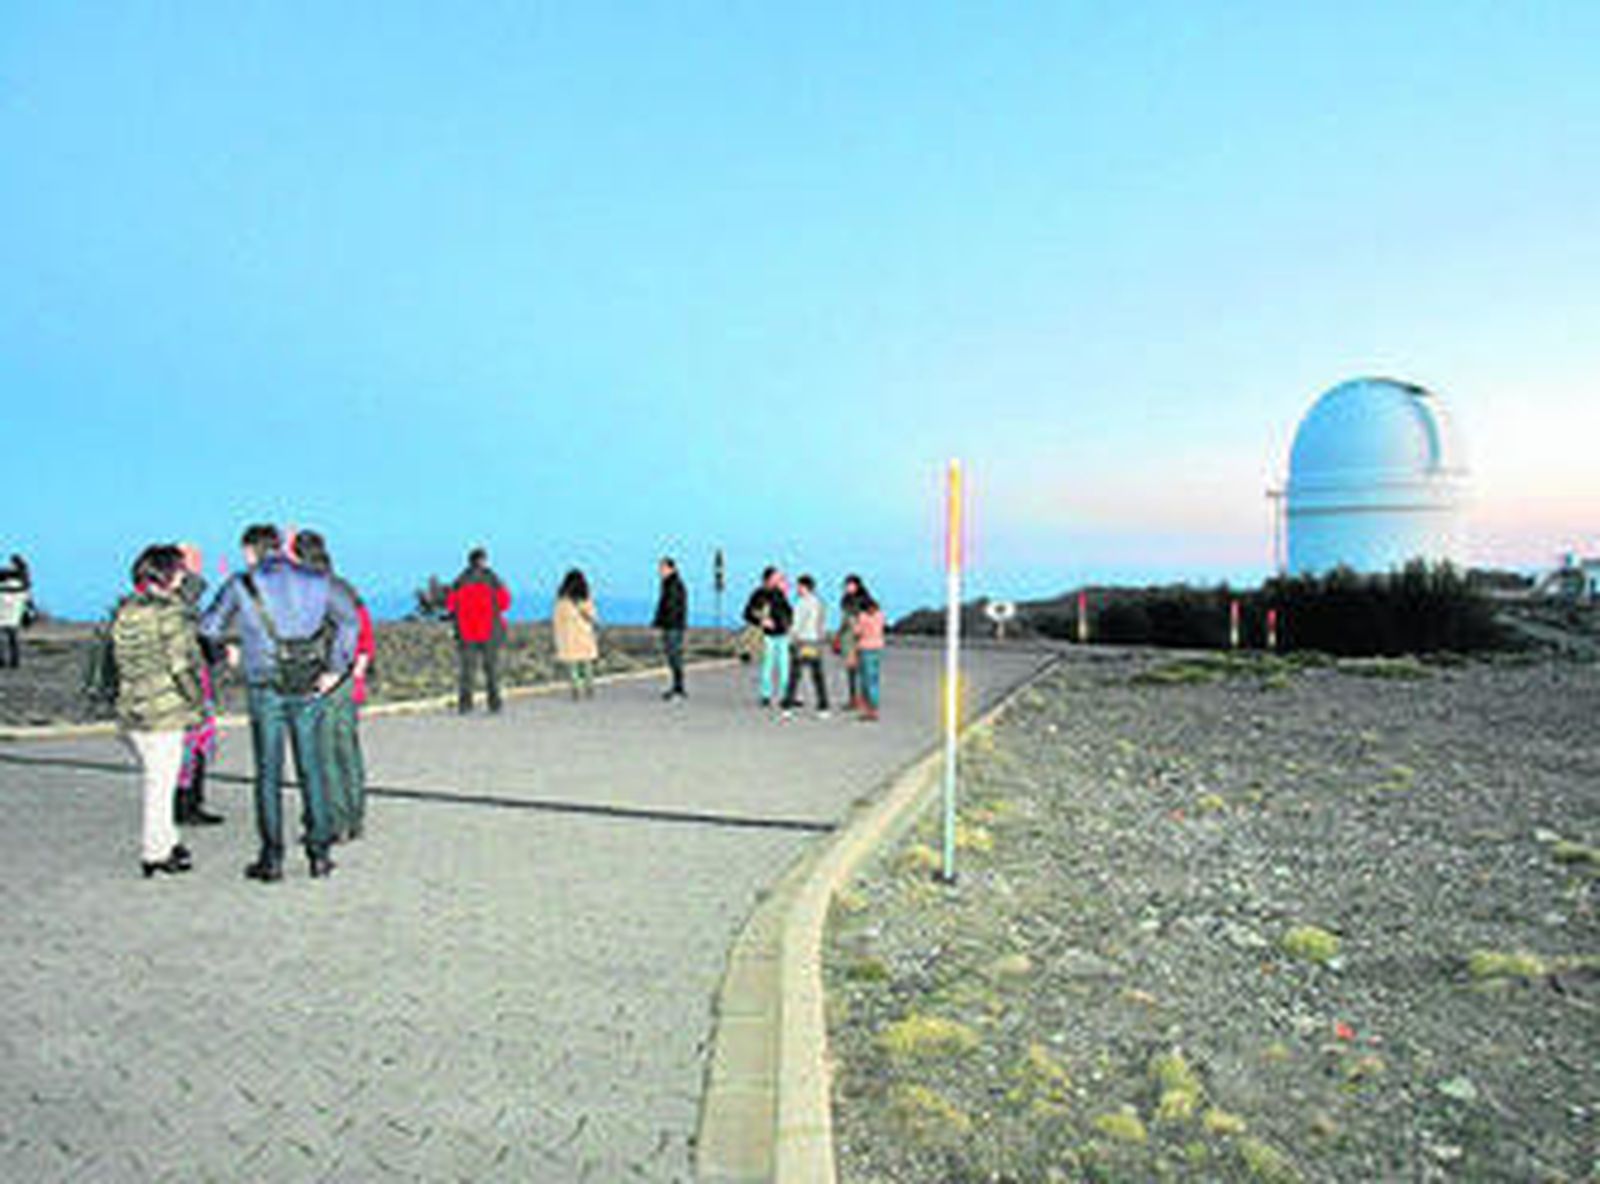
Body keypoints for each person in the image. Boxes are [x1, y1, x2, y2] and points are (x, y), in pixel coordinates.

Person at [200, 523, 358, 882]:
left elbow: (208, 627)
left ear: (250, 550)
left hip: (264, 685)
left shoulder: (241, 583)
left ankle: (272, 859)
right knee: (312, 769)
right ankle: (320, 854)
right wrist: (336, 668)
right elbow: (349, 621)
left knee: (268, 773)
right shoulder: (317, 579)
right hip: (307, 684)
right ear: (280, 547)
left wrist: (228, 652)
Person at [112, 544, 204, 877]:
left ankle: (168, 840)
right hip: (163, 709)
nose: (184, 575)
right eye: (180, 569)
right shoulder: (168, 613)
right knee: (160, 785)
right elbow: (180, 665)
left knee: (157, 779)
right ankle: (155, 853)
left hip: (132, 707)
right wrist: (197, 703)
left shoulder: (126, 610)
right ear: (167, 574)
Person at [293, 530, 374, 842]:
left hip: (324, 677)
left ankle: (333, 822)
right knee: (347, 750)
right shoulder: (345, 588)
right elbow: (364, 634)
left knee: (324, 754)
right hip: (345, 678)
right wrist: (357, 670)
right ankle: (354, 817)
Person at [173, 543, 223, 826]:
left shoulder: (184, 607)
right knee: (190, 749)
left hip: (196, 683)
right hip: (188, 687)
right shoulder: (178, 605)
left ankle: (191, 803)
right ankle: (185, 805)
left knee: (197, 748)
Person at [446, 547, 510, 713]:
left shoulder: (459, 581)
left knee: (467, 670)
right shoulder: (493, 579)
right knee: (492, 669)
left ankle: (465, 704)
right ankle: (494, 703)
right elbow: (505, 602)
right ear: (483, 560)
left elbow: (451, 605)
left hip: (467, 632)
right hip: (490, 630)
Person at [743, 566, 793, 711]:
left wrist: (789, 623)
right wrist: (761, 621)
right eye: (777, 577)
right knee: (768, 666)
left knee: (785, 667)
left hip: (783, 634)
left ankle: (785, 696)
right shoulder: (759, 594)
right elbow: (747, 613)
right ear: (769, 578)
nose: (780, 579)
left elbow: (787, 612)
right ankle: (766, 695)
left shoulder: (780, 593)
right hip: (768, 635)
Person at [782, 574, 830, 716]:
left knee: (795, 675)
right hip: (814, 642)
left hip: (802, 641)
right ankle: (823, 707)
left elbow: (797, 624)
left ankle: (788, 706)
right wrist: (821, 638)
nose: (797, 589)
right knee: (817, 676)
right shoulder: (819, 602)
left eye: (799, 586)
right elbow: (821, 623)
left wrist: (791, 638)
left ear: (805, 587)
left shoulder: (800, 603)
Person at [552, 568, 600, 700]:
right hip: (583, 633)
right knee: (586, 663)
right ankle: (589, 685)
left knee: (572, 664)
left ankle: (576, 686)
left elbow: (557, 619)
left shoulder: (561, 600)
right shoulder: (585, 597)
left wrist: (558, 635)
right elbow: (592, 614)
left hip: (568, 636)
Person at [652, 557, 687, 700]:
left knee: (674, 656)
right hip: (671, 625)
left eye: (663, 568)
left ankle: (678, 689)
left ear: (672, 568)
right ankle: (677, 687)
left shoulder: (674, 585)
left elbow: (671, 607)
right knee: (672, 656)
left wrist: (663, 621)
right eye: (660, 568)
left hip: (673, 626)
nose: (660, 571)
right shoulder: (668, 583)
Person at [853, 582, 886, 722]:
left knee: (866, 680)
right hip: (878, 647)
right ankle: (874, 707)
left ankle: (869, 709)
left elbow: (857, 632)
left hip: (865, 647)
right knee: (874, 678)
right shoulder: (880, 615)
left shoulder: (863, 616)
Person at [0, 553, 29, 669]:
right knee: (12, 635)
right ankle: (14, 661)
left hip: (4, 608)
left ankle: (3, 661)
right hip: (14, 610)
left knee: (5, 636)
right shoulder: (24, 580)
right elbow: (26, 595)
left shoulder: (6, 577)